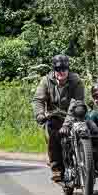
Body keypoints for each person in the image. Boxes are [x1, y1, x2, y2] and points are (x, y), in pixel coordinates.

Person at [31, 54, 84, 182]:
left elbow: (76, 102)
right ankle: (56, 168)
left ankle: (90, 161)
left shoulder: (76, 81)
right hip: (54, 116)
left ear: (68, 69)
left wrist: (67, 124)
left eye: (64, 69)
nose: (61, 72)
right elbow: (38, 99)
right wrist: (40, 114)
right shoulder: (46, 81)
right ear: (54, 69)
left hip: (73, 114)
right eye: (58, 69)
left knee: (86, 130)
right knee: (53, 132)